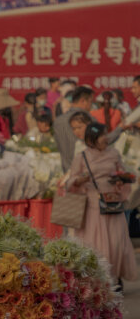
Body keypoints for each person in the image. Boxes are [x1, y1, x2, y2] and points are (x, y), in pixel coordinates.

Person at [67, 122, 137, 289]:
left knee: (117, 244)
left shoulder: (114, 154)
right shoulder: (82, 157)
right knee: (97, 245)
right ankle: (100, 280)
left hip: (113, 202)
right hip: (93, 207)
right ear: (92, 139)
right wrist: (79, 180)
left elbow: (123, 173)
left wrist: (121, 181)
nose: (106, 138)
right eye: (102, 135)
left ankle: (116, 276)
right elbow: (70, 181)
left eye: (106, 134)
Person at [54, 86, 94, 173]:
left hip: (67, 171)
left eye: (79, 128)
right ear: (83, 101)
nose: (76, 131)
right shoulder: (89, 119)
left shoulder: (58, 121)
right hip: (86, 172)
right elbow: (101, 136)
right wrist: (120, 129)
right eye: (91, 102)